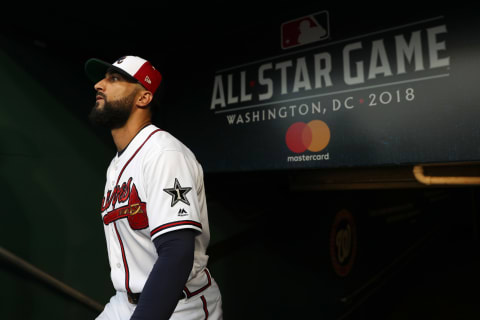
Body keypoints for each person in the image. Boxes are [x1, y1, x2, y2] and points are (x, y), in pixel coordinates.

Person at [84, 55, 223, 320]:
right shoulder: (117, 163)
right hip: (125, 302)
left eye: (114, 78)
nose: (99, 85)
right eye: (103, 78)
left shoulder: (163, 154)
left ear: (143, 98)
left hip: (179, 304)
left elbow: (176, 252)